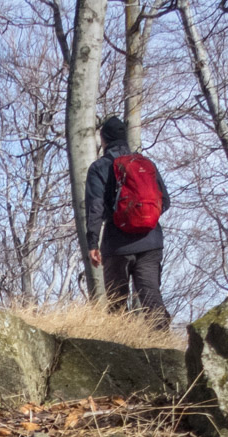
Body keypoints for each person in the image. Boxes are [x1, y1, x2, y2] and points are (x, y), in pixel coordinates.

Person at [82, 115, 171, 325]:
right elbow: (165, 201)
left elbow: (95, 208)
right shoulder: (145, 164)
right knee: (151, 297)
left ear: (103, 140)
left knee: (118, 303)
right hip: (151, 241)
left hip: (117, 244)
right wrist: (144, 217)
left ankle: (120, 353)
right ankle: (163, 349)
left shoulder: (100, 167)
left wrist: (93, 243)